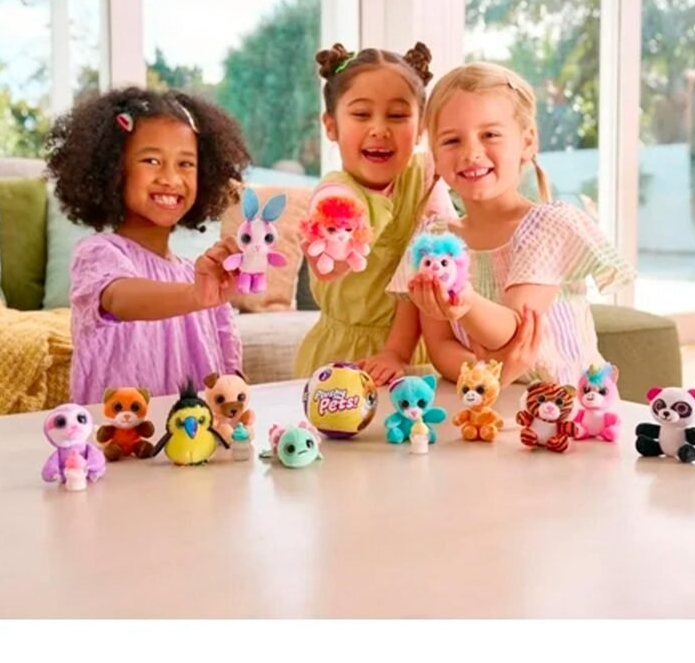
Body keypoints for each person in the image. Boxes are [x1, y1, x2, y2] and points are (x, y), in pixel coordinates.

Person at [390, 62, 634, 386]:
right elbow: (441, 346)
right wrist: (490, 377)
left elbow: (514, 331)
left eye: (490, 135)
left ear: (527, 141)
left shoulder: (549, 228)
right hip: (485, 399)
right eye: (451, 141)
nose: (471, 153)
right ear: (434, 153)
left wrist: (463, 300)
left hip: (567, 401)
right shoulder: (434, 240)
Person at [46, 86, 250, 405]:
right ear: (114, 170)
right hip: (121, 430)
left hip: (195, 432)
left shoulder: (196, 275)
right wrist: (194, 295)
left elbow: (228, 367)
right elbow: (120, 299)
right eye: (152, 160)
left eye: (185, 164)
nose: (170, 178)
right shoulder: (100, 253)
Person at [293, 42, 456, 385]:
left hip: (423, 352)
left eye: (397, 116)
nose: (379, 129)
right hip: (346, 358)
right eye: (361, 114)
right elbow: (336, 222)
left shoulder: (427, 177)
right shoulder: (335, 190)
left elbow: (440, 259)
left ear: (421, 127)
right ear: (331, 126)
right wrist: (334, 249)